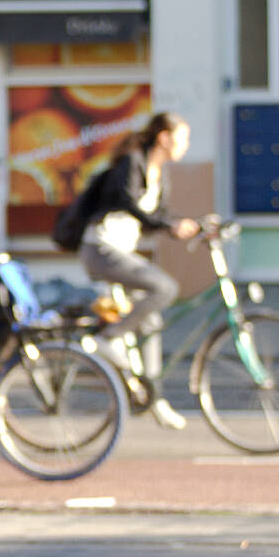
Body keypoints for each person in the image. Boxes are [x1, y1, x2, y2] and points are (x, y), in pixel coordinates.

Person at [76, 111, 200, 431]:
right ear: (164, 138)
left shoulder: (160, 173)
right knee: (165, 288)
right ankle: (109, 337)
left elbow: (157, 214)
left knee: (151, 321)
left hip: (121, 251)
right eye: (182, 138)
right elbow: (130, 204)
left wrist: (189, 227)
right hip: (102, 249)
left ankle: (152, 396)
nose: (186, 145)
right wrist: (170, 224)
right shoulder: (132, 163)